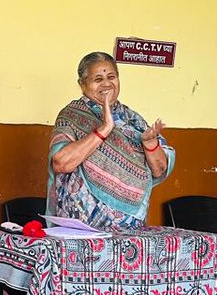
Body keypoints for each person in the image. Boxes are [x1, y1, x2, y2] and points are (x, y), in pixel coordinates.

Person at [48, 51, 174, 232]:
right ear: (82, 84)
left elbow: (159, 170)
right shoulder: (71, 116)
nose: (106, 83)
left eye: (111, 77)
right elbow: (61, 163)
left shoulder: (133, 120)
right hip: (81, 227)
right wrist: (104, 129)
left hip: (129, 228)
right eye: (98, 79)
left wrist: (150, 144)